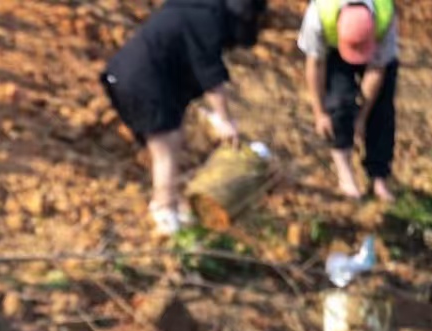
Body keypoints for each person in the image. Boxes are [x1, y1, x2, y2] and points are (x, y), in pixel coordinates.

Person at [101, 0, 267, 235]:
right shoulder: (207, 21)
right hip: (140, 79)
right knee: (166, 146)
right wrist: (225, 119)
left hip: (130, 75)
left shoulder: (196, 9)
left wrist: (210, 115)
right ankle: (164, 210)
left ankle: (174, 204)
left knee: (172, 138)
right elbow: (210, 76)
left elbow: (189, 67)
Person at [299, 0, 399, 201]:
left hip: (375, 48)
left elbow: (377, 69)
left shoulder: (385, 15)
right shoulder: (318, 16)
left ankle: (378, 176)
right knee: (339, 102)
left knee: (383, 109)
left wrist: (362, 117)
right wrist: (320, 113)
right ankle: (345, 174)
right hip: (335, 49)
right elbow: (315, 65)